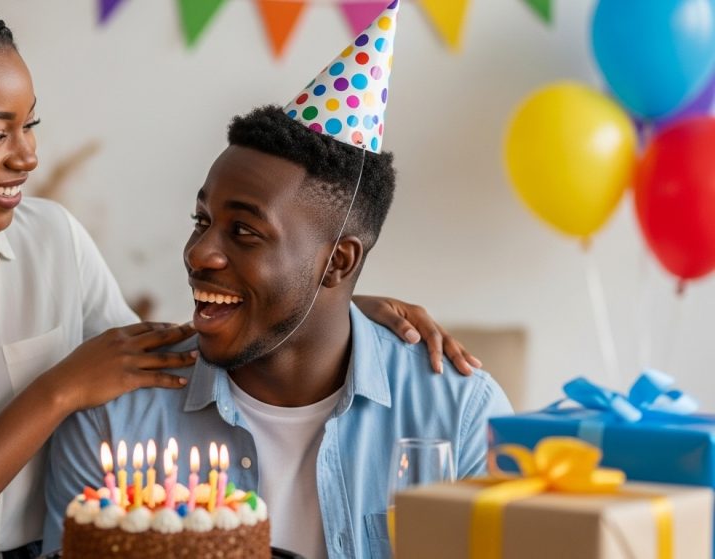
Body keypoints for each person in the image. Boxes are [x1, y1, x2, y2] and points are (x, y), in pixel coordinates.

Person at [0, 1, 482, 558]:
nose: (27, 157)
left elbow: (162, 351)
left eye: (31, 126)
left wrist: (332, 311)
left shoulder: (53, 241)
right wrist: (57, 391)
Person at [42, 5, 513, 557]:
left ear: (337, 263)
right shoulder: (114, 416)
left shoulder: (458, 413)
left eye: (243, 231)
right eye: (202, 221)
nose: (199, 253)